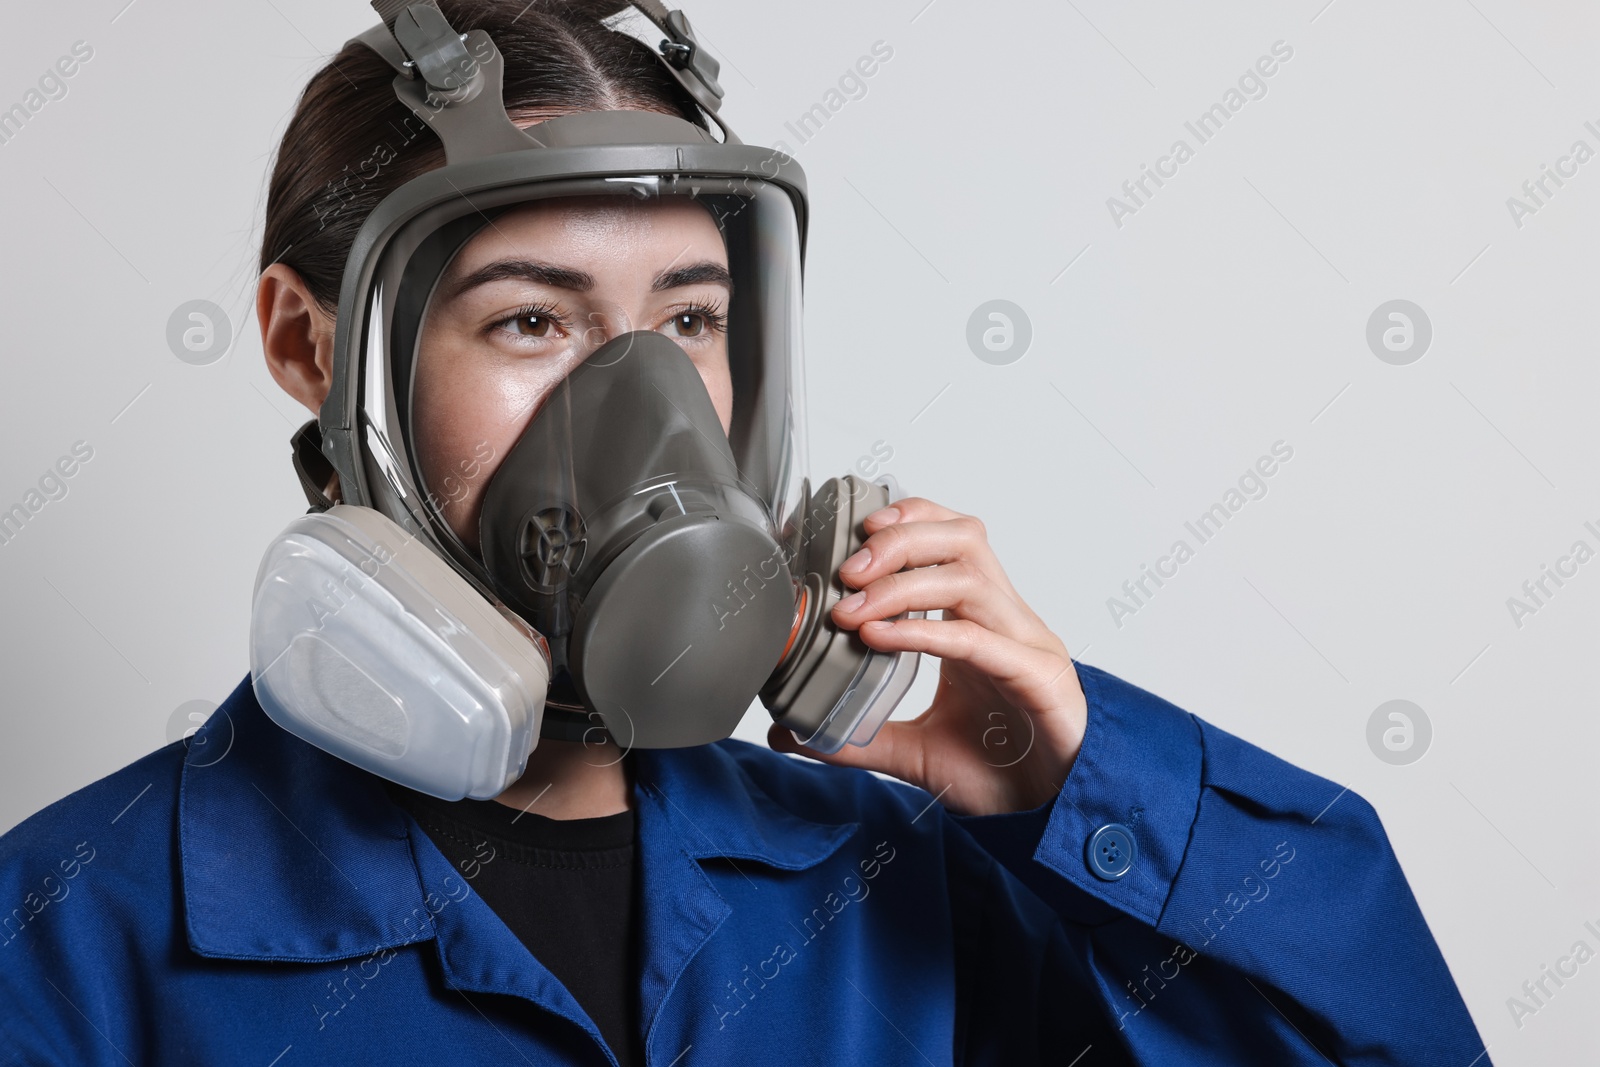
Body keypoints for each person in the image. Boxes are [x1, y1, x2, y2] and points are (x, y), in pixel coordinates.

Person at [0, 2, 1489, 1064]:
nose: (647, 403)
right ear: (304, 341)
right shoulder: (69, 941)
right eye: (532, 316)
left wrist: (1080, 790)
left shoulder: (904, 881)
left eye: (692, 319)